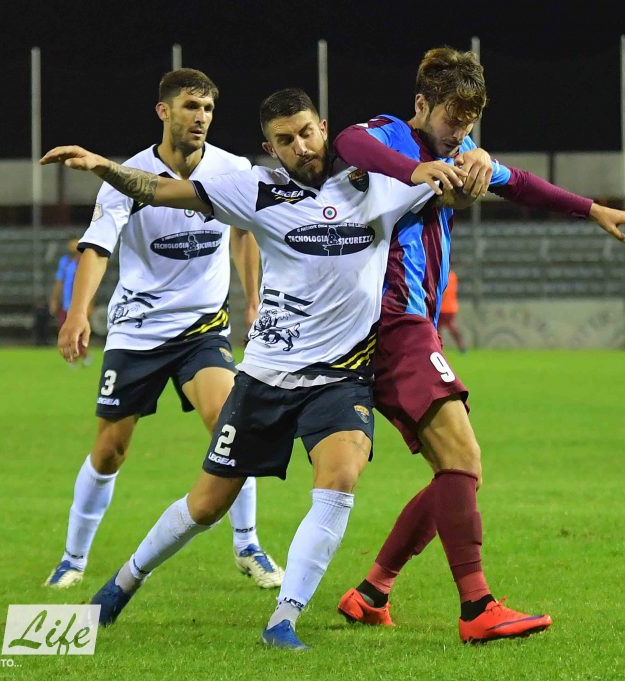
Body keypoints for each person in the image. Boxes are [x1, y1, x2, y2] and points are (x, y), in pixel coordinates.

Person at [40, 87, 460, 650]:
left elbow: (453, 179)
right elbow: (158, 189)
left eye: (307, 132)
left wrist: (475, 159)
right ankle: (123, 582)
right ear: (271, 148)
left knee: (340, 478)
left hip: (341, 376)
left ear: (324, 128)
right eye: (285, 140)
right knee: (206, 504)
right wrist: (103, 167)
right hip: (266, 376)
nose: (301, 146)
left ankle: (283, 618)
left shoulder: (376, 183)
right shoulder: (254, 188)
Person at [331, 47, 625, 643]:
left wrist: (593, 209)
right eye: (452, 119)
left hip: (412, 324)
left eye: (470, 123)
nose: (460, 133)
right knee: (463, 459)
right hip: (391, 319)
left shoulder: (461, 153)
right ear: (422, 104)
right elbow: (347, 141)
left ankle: (372, 592)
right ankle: (477, 607)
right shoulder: (394, 136)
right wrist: (416, 171)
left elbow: (520, 184)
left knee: (452, 471)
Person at [43, 69, 283, 593]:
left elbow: (243, 232)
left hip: (203, 327)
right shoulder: (128, 175)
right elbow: (97, 247)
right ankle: (72, 558)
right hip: (137, 330)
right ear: (164, 111)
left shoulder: (231, 169)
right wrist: (78, 312)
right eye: (191, 106)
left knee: (232, 426)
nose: (201, 117)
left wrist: (253, 299)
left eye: (208, 109)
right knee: (111, 450)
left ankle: (248, 545)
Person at [49, 237, 90, 366]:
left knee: (80, 331)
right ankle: (72, 356)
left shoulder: (84, 261)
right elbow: (59, 281)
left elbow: (89, 283)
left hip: (80, 303)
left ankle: (83, 354)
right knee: (66, 330)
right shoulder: (65, 262)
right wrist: (54, 299)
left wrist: (90, 303)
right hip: (66, 303)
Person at [439, 270, 466, 352]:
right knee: (448, 327)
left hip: (445, 307)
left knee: (443, 327)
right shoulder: (452, 275)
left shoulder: (446, 275)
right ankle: (461, 346)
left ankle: (438, 347)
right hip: (450, 306)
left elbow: (445, 291)